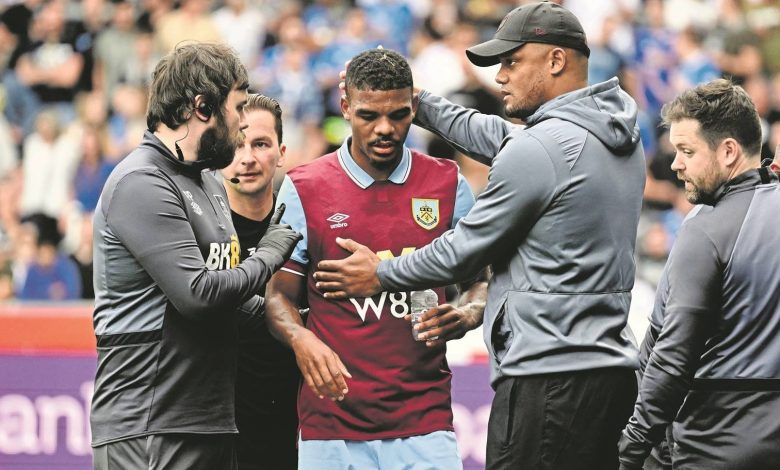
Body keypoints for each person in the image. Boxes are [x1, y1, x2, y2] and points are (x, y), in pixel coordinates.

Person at [314, 3, 646, 469]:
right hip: (608, 375)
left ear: (555, 61)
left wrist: (382, 273)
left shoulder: (543, 149)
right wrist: (420, 101)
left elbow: (461, 251)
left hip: (547, 381)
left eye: (512, 62)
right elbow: (502, 138)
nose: (501, 77)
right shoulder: (615, 133)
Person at [265, 48, 486, 469]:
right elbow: (278, 297)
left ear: (413, 108)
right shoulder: (303, 187)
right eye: (369, 116)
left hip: (425, 419)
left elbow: (483, 279)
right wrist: (302, 339)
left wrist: (468, 313)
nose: (385, 128)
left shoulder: (446, 183)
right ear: (346, 107)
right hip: (332, 423)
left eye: (398, 115)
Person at [89, 42, 301, 469]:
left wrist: (310, 322)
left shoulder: (206, 180)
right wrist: (270, 253)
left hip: (208, 421)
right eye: (238, 108)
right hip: (150, 423)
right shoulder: (141, 182)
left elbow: (232, 302)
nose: (242, 125)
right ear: (202, 106)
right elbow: (199, 295)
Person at [618, 79, 780, 469]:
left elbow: (669, 356)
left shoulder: (705, 226)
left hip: (710, 443)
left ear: (728, 151)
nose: (675, 163)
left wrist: (630, 449)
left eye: (687, 151)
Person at [219, 93, 299, 469]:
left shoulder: (301, 232)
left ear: (281, 152)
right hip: (215, 430)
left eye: (261, 144)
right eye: (237, 144)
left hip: (289, 429)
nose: (247, 157)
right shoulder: (195, 233)